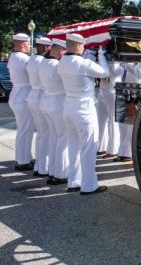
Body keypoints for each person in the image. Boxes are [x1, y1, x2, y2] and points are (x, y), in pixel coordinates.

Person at [57, 33, 110, 195]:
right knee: (88, 146)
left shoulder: (62, 63)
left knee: (74, 146)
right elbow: (104, 73)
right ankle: (89, 185)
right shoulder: (83, 63)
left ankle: (74, 181)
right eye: (82, 46)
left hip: (68, 106)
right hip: (84, 108)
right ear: (78, 46)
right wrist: (101, 55)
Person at [39, 38, 68, 185]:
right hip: (58, 103)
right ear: (58, 50)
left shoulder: (43, 63)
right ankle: (60, 173)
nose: (65, 53)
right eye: (64, 50)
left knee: (54, 137)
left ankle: (52, 170)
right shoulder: (57, 65)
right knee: (63, 138)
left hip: (46, 101)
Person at [26, 37, 53, 177]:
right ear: (43, 47)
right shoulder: (42, 61)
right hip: (41, 94)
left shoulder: (31, 59)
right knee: (45, 133)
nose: (50, 50)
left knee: (41, 133)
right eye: (49, 47)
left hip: (33, 95)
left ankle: (39, 165)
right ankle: (43, 167)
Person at [8, 33, 34, 171]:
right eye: (28, 43)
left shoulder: (13, 56)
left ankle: (24, 157)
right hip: (23, 94)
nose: (30, 46)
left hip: (17, 93)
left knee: (23, 129)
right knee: (25, 129)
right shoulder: (24, 58)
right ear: (23, 44)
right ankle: (23, 160)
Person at [114, 62, 141, 163]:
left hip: (134, 93)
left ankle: (130, 153)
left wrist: (125, 63)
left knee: (131, 125)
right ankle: (122, 152)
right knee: (122, 125)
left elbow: (139, 74)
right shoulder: (123, 62)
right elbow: (114, 73)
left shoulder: (137, 61)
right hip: (123, 92)